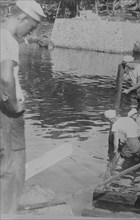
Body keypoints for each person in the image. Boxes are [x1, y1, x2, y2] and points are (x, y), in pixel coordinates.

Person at [0, 0, 46, 214]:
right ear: (21, 18)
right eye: (32, 26)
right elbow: (5, 77)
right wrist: (13, 106)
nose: (30, 32)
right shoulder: (7, 39)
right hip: (8, 117)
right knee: (13, 173)